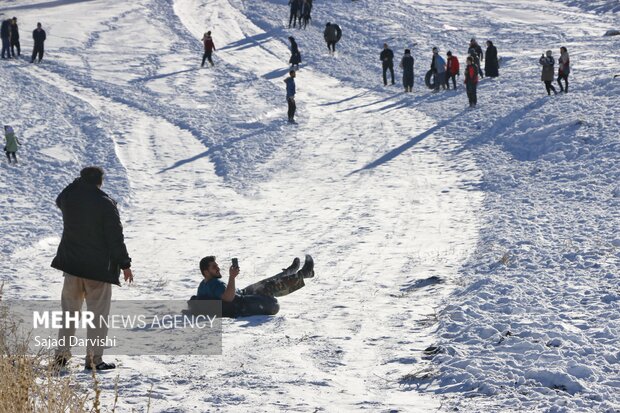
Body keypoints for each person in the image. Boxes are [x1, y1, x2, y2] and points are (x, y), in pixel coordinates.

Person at [51, 167, 133, 371]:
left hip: (72, 267)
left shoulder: (70, 199)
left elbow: (59, 198)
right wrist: (125, 264)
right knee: (97, 317)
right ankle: (93, 360)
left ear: (81, 179)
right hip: (98, 271)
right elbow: (115, 238)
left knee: (69, 314)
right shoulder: (105, 204)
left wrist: (76, 182)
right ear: (101, 181)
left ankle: (61, 357)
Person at [192, 255, 314, 318]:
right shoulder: (215, 284)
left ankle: (290, 272)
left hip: (243, 293)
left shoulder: (203, 285)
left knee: (266, 282)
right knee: (271, 285)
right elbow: (228, 298)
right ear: (206, 272)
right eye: (214, 267)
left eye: (217, 265)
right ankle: (304, 273)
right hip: (243, 299)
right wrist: (232, 277)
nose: (218, 268)